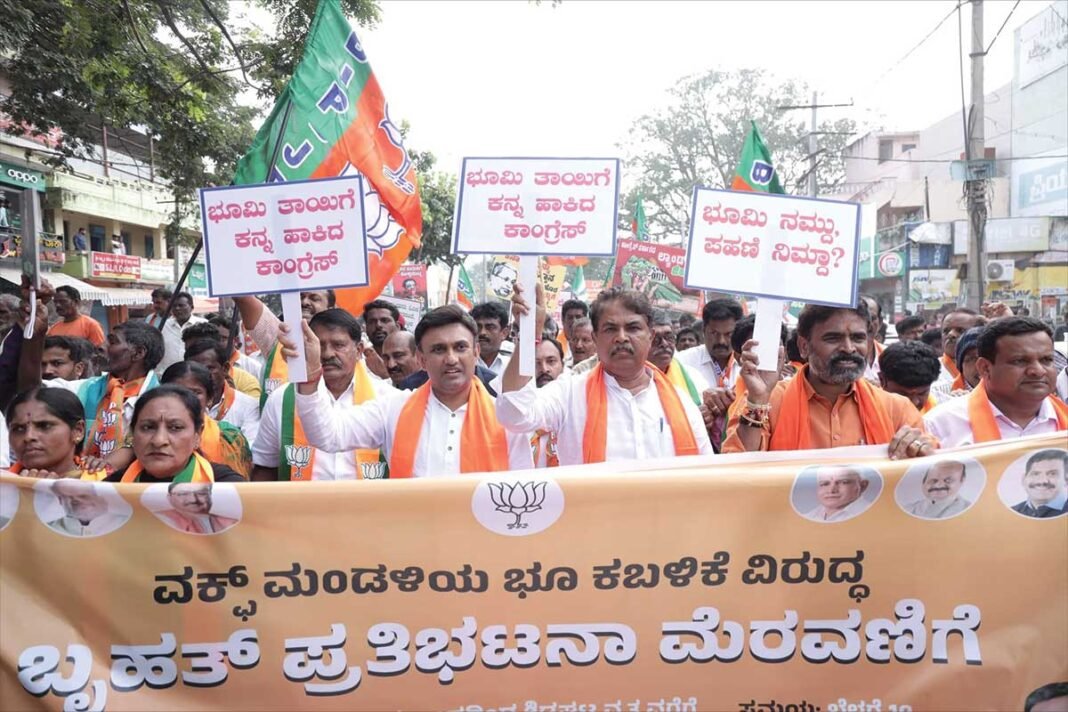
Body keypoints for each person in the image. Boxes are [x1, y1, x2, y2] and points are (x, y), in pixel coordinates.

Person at [284, 305, 534, 477]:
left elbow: (524, 488)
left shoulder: (506, 417)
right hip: (413, 550)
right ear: (421, 360)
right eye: (438, 349)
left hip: (483, 548)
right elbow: (328, 436)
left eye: (460, 347)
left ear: (476, 353)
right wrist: (309, 378)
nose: (451, 359)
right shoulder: (394, 407)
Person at [498, 286, 712, 465]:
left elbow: (703, 476)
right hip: (590, 516)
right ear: (595, 338)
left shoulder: (683, 403)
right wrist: (528, 335)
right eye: (610, 329)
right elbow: (515, 414)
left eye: (633, 327)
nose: (621, 338)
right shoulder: (570, 394)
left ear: (650, 336)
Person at [723, 302, 936, 460]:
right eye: (832, 338)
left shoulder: (895, 408)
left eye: (858, 338)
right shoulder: (766, 402)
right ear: (804, 346)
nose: (849, 348)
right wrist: (759, 399)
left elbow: (932, 466)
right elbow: (738, 468)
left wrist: (919, 449)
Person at [254, 309, 395, 481]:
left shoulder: (387, 399)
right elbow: (265, 468)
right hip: (302, 506)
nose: (327, 354)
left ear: (358, 351)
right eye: (319, 345)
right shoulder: (281, 399)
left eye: (338, 345)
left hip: (369, 506)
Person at [33, 320, 164, 462]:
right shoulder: (86, 389)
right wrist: (33, 336)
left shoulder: (161, 403)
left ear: (138, 353)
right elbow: (32, 387)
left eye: (113, 342)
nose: (101, 346)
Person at [924, 318, 1067, 447]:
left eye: (1046, 360)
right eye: (1020, 361)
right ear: (985, 368)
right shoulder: (940, 426)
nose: (1037, 370)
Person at [105, 385, 245, 483]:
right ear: (133, 435)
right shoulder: (110, 492)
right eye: (148, 427)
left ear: (197, 435)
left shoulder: (227, 488)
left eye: (175, 427)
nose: (159, 440)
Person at [234, 290, 336, 408]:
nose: (304, 302)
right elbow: (243, 299)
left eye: (314, 298)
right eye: (300, 297)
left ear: (330, 308)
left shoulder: (347, 346)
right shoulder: (281, 338)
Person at [161, 361, 251, 478]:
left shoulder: (228, 437)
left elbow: (238, 489)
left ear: (209, 398)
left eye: (195, 392)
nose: (185, 399)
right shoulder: (147, 434)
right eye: (176, 392)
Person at [6, 387, 106, 479]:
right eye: (18, 429)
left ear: (78, 431)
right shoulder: (5, 485)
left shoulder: (107, 483)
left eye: (44, 426)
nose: (28, 437)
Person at [184, 338, 260, 444]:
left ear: (225, 368)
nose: (203, 375)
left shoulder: (250, 406)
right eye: (196, 369)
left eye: (209, 368)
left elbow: (250, 450)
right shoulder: (177, 403)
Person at [676, 298, 744, 391]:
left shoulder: (748, 365)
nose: (721, 341)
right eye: (714, 333)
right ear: (703, 330)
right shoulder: (681, 362)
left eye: (729, 334)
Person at [183, 322, 261, 399]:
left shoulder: (246, 381)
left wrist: (232, 397)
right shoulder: (179, 381)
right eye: (190, 351)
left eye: (210, 368)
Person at [648, 310, 708, 407]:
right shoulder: (631, 380)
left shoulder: (693, 376)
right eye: (656, 339)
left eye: (669, 337)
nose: (664, 344)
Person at [45, 479, 130, 536]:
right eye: (68, 497)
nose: (76, 500)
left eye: (83, 496)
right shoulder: (46, 529)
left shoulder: (128, 524)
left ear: (101, 496)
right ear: (60, 500)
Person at [878, 341, 942, 413]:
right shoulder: (868, 412)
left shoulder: (941, 411)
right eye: (903, 394)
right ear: (882, 380)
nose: (914, 403)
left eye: (921, 393)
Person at [531, 338, 566, 468]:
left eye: (551, 361)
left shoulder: (577, 407)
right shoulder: (517, 411)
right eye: (536, 363)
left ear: (562, 365)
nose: (544, 369)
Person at [156, 482, 238, 534]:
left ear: (210, 495)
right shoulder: (159, 520)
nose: (193, 499)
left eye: (201, 493)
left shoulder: (230, 523)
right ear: (169, 497)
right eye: (183, 494)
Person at [801, 466, 875, 523]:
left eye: (844, 482)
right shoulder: (806, 518)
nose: (831, 490)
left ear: (862, 486)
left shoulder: (874, 516)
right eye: (825, 484)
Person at [157, 291, 206, 375]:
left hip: (194, 375)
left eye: (181, 305)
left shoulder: (203, 325)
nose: (177, 309)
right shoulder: (163, 326)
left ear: (191, 307)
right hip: (166, 376)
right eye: (174, 306)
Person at [905, 460, 972, 519]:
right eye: (933, 480)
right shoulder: (908, 510)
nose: (938, 485)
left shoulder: (971, 511)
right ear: (923, 483)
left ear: (962, 481)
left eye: (948, 480)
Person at [1011, 449, 1067, 519]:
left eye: (1052, 474)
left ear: (1066, 480)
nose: (1042, 481)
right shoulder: (1010, 513)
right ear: (1024, 479)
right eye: (1035, 474)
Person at [937, 308, 985, 385]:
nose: (951, 334)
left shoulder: (988, 368)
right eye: (946, 331)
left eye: (960, 330)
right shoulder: (928, 371)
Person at [469, 302, 512, 376]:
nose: (482, 333)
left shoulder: (511, 366)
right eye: (478, 327)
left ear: (504, 333)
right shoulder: (463, 364)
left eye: (490, 327)